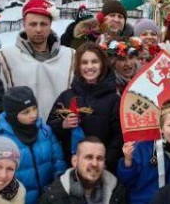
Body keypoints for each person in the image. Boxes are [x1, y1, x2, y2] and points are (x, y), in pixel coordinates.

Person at [0, 86, 67, 204]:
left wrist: (55, 187)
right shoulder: (2, 141)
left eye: (34, 109)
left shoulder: (45, 131)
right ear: (13, 115)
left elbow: (58, 161)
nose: (33, 115)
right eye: (25, 112)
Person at [0, 0, 74, 121]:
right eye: (33, 24)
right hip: (22, 133)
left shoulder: (69, 56)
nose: (38, 29)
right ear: (24, 24)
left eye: (43, 24)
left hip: (60, 131)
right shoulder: (6, 58)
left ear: (50, 25)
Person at [49, 42, 123, 172]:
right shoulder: (66, 97)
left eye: (94, 61)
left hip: (102, 168)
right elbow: (50, 126)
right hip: (71, 167)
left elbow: (119, 137)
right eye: (84, 62)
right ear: (78, 66)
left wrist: (106, 161)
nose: (89, 66)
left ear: (102, 65)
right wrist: (63, 124)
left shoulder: (114, 100)